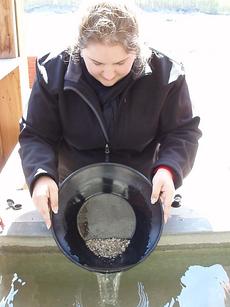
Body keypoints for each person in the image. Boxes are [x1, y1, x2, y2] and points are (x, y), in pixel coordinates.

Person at [19, 0, 201, 229]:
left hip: (141, 184)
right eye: (96, 62)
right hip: (74, 183)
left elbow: (182, 132)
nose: (108, 73)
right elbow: (36, 134)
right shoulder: (52, 70)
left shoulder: (167, 74)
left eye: (120, 63)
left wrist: (168, 169)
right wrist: (41, 175)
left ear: (138, 50)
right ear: (79, 49)